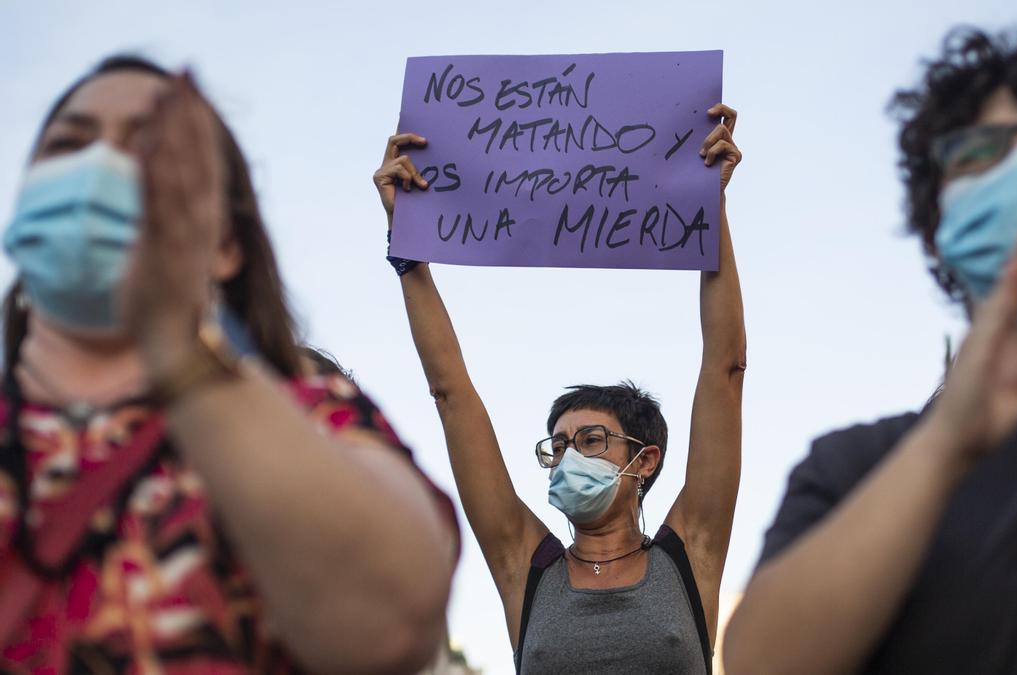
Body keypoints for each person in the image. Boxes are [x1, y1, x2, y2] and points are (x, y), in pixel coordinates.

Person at [724, 15, 1017, 675]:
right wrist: (944, 445)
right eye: (979, 154)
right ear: (936, 225)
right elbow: (761, 662)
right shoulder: (855, 465)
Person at [0, 56, 458, 673]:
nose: (100, 167)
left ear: (224, 248)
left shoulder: (314, 416)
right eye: (68, 145)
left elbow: (392, 628)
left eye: (150, 151)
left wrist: (176, 337)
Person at [375, 104, 745, 673]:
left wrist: (709, 204)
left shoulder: (690, 553)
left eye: (592, 439)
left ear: (644, 460)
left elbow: (725, 369)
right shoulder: (525, 565)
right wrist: (408, 248)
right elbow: (451, 394)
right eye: (560, 445)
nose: (569, 456)